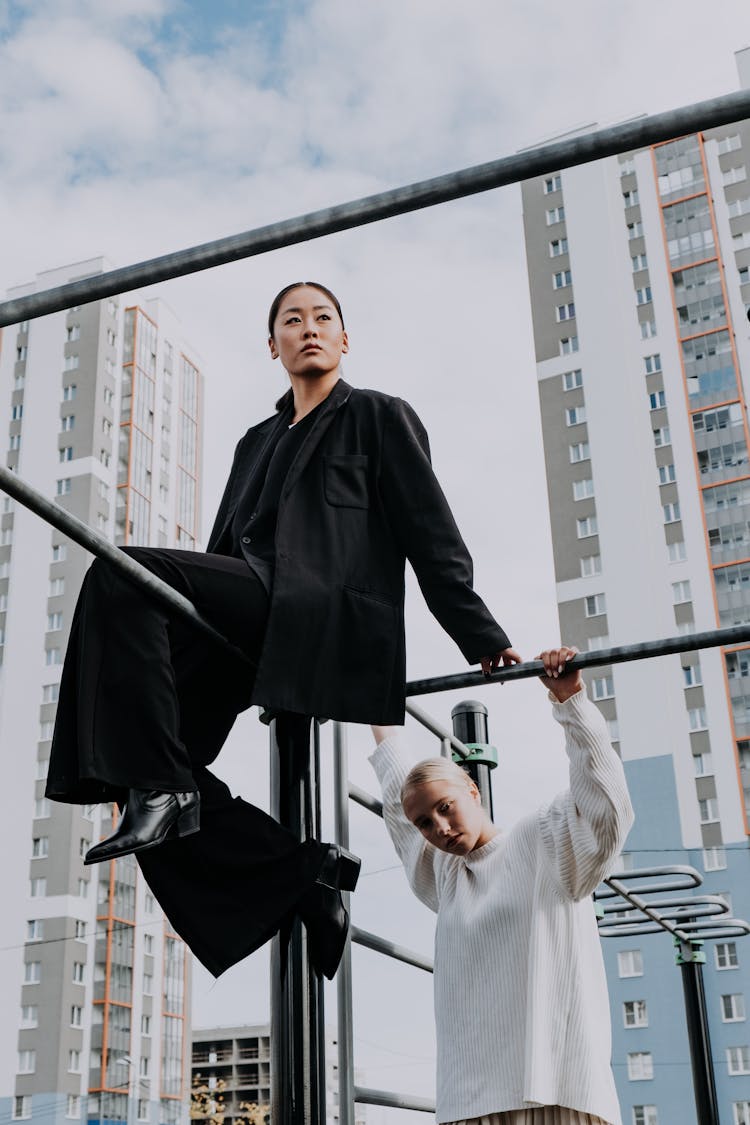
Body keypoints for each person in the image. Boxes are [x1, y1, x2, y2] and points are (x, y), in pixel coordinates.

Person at [46, 280, 518, 981]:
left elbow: (431, 534)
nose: (309, 329)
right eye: (292, 321)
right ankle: (306, 874)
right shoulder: (255, 441)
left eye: (323, 318)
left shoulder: (379, 417)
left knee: (121, 571)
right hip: (246, 613)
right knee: (136, 761)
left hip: (320, 612)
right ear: (273, 346)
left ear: (344, 338)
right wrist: (181, 627)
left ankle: (172, 792)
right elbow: (219, 545)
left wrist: (480, 634)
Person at [369, 645, 634, 1125]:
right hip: (472, 1100)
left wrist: (571, 700)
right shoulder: (443, 875)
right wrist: (372, 705)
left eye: (445, 807)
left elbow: (606, 810)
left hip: (557, 1089)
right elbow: (396, 797)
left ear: (472, 788)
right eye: (426, 824)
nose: (439, 828)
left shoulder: (547, 839)